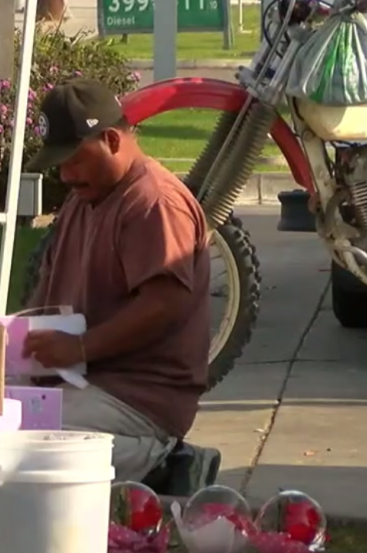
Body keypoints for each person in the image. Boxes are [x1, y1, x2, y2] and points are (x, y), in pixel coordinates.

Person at [21, 78, 221, 496]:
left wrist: (79, 349)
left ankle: (162, 465)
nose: (66, 175)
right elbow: (47, 288)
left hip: (138, 396)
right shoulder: (83, 200)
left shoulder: (154, 202)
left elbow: (165, 304)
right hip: (78, 381)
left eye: (74, 160)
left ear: (111, 139)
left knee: (19, 444)